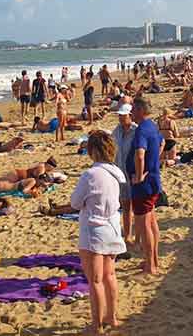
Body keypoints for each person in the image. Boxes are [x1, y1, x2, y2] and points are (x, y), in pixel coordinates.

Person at [71, 130, 126, 333]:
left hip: (94, 229)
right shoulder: (116, 172)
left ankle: (97, 325)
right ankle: (112, 317)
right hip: (112, 226)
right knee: (109, 275)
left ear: (93, 150)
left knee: (95, 280)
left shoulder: (90, 175)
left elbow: (75, 202)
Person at [128, 97, 164, 275]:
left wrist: (139, 175)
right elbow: (162, 142)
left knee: (144, 226)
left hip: (144, 185)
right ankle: (153, 260)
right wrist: (154, 162)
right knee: (151, 222)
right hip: (153, 180)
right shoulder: (152, 126)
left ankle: (150, 265)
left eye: (134, 109)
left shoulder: (142, 129)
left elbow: (140, 154)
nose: (131, 112)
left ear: (141, 110)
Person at [111, 102, 138, 247]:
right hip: (120, 174)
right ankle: (127, 235)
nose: (121, 118)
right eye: (120, 116)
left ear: (130, 116)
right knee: (126, 206)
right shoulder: (116, 131)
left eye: (123, 116)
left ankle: (137, 235)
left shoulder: (137, 131)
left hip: (133, 173)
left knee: (137, 207)